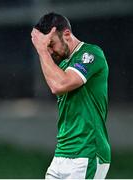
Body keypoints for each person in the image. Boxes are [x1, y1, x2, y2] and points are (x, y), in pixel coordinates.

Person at [31, 12, 111, 179]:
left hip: (87, 150)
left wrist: (41, 51)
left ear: (66, 34)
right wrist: (43, 50)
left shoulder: (91, 54)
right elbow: (56, 84)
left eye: (51, 44)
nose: (50, 51)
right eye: (47, 47)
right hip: (63, 152)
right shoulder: (65, 64)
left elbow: (59, 85)